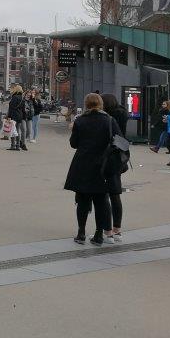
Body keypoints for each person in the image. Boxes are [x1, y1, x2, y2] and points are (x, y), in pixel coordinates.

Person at [65, 93, 116, 246]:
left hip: (83, 164)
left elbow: (74, 143)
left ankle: (81, 232)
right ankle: (99, 234)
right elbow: (118, 140)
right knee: (100, 200)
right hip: (102, 165)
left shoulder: (80, 120)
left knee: (82, 200)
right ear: (100, 104)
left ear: (86, 104)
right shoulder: (109, 120)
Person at [102, 93, 129, 242]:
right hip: (119, 156)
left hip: (108, 155)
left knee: (104, 195)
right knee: (115, 194)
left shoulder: (109, 118)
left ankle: (107, 231)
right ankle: (117, 229)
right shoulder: (123, 113)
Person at [7, 84, 28, 151]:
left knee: (13, 131)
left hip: (14, 116)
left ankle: (13, 145)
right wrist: (24, 117)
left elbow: (11, 108)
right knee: (17, 130)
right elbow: (23, 109)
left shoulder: (14, 97)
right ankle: (18, 146)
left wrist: (9, 116)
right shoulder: (22, 98)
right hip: (20, 116)